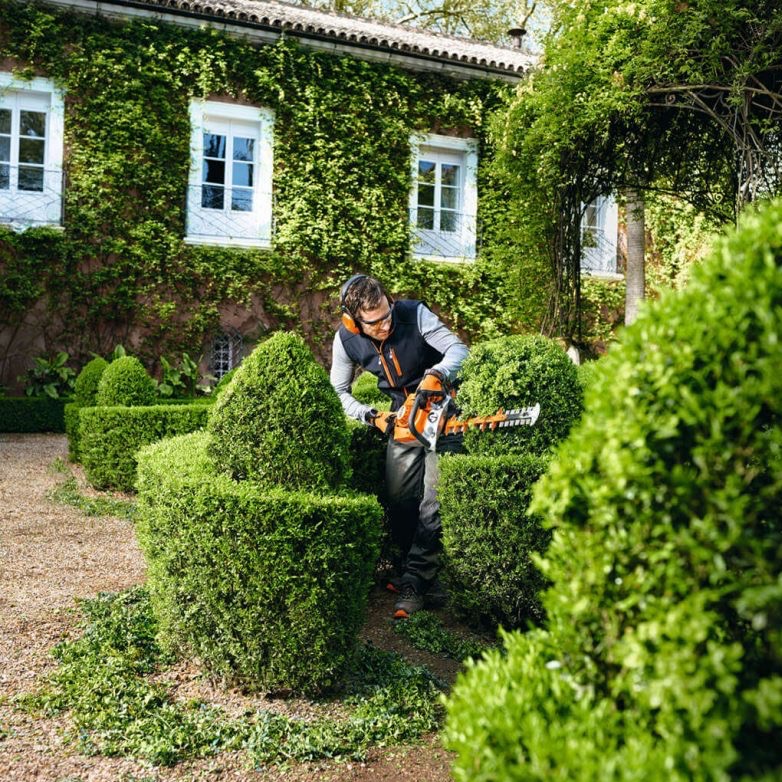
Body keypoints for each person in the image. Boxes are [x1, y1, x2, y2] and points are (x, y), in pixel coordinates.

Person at [330, 274, 469, 618]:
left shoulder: (414, 314)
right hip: (402, 418)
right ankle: (418, 574)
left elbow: (459, 350)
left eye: (387, 315)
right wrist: (370, 416)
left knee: (433, 500)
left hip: (443, 410)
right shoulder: (346, 339)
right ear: (355, 322)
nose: (386, 324)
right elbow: (338, 392)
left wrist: (437, 373)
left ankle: (415, 584)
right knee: (399, 499)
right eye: (376, 322)